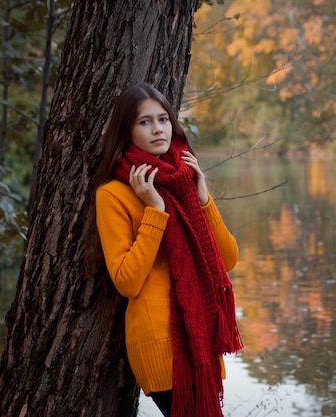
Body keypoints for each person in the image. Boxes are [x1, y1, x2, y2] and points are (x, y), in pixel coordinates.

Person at [84, 82, 243, 417]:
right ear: (126, 132)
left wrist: (203, 201)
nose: (158, 129)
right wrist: (154, 211)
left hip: (202, 344)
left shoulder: (186, 181)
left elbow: (228, 259)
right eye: (144, 122)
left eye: (163, 119)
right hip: (161, 349)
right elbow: (127, 282)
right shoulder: (113, 194)